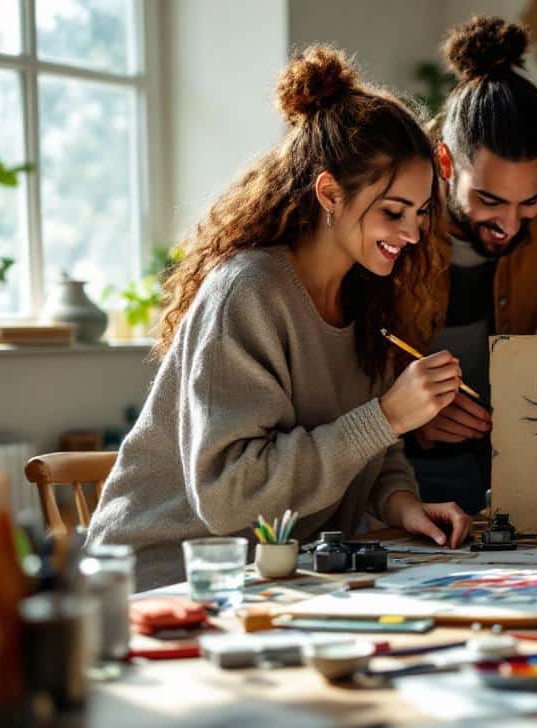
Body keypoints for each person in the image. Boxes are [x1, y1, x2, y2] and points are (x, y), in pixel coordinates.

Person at [88, 47, 470, 590]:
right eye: (392, 212)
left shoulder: (369, 298)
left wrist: (403, 503)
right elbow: (229, 495)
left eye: (420, 212)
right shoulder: (246, 292)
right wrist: (386, 415)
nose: (411, 235)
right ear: (330, 194)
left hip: (276, 577)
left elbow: (371, 454)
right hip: (166, 581)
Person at [406, 16, 537, 514]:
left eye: (529, 201)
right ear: (446, 165)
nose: (510, 225)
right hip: (403, 463)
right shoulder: (395, 208)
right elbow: (346, 355)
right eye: (490, 200)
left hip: (512, 450)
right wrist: (408, 415)